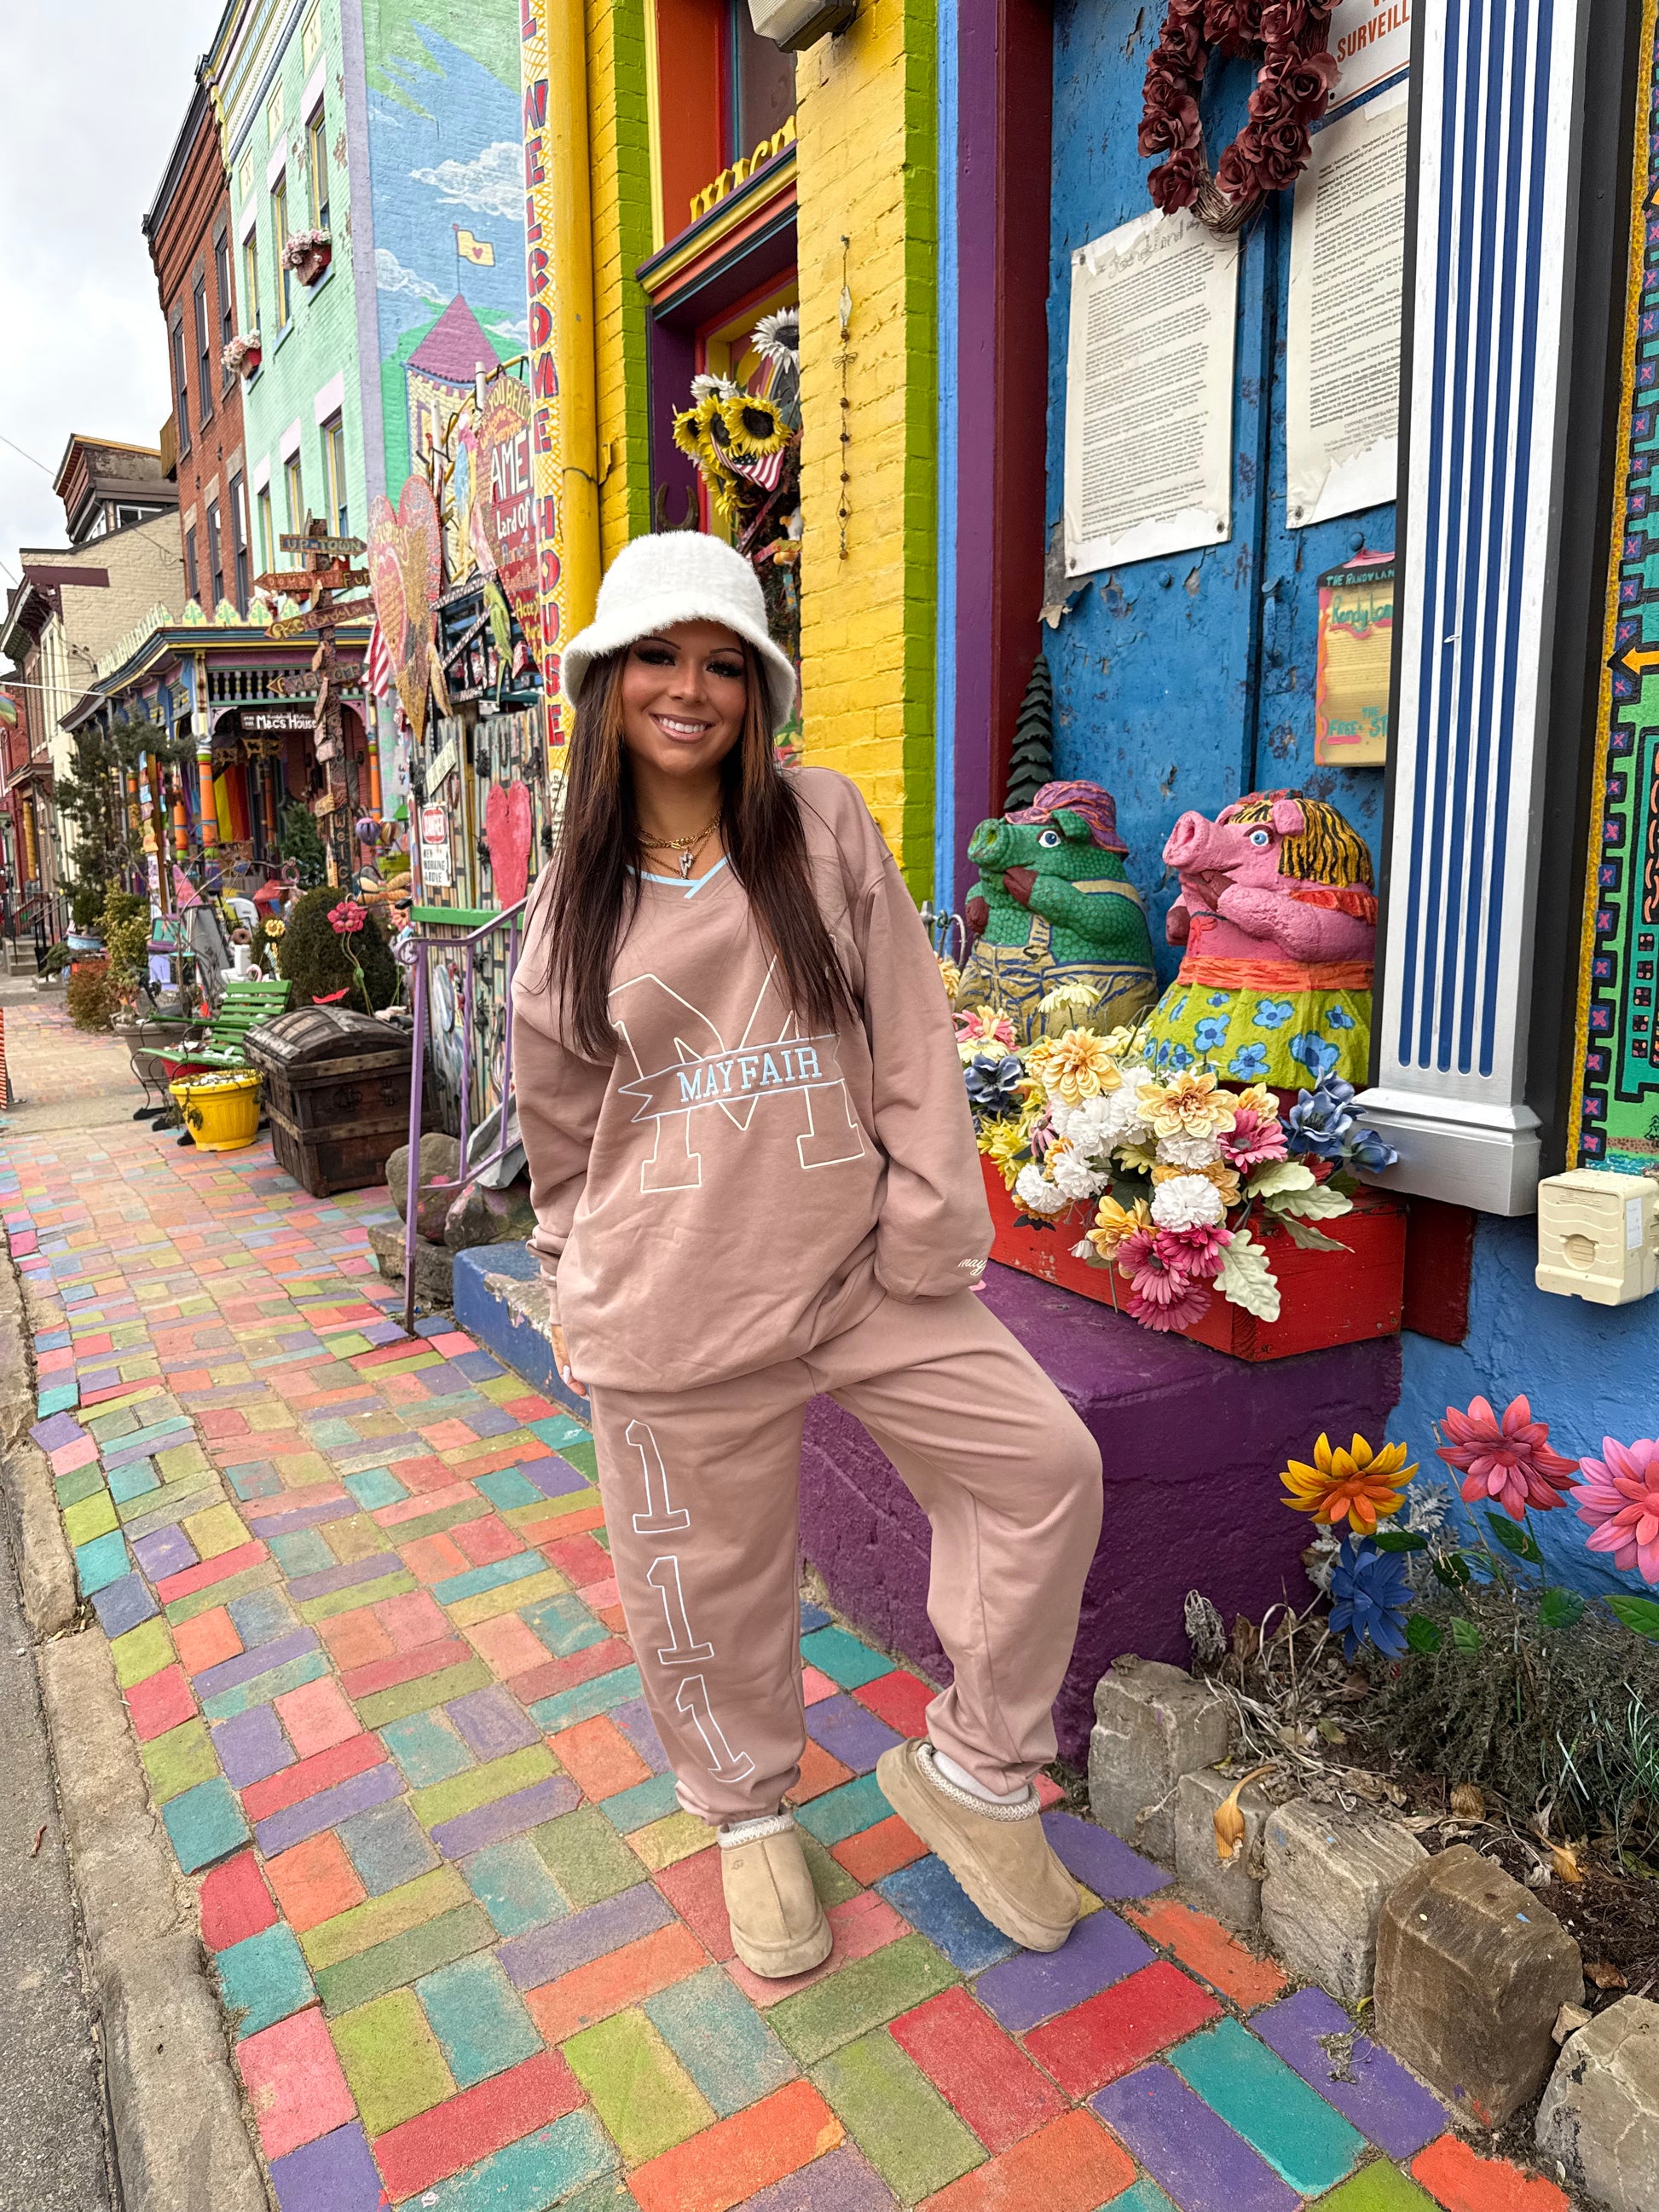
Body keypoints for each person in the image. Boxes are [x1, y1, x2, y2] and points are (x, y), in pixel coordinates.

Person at [512, 533, 1103, 1978]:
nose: (689, 690)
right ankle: (747, 1814)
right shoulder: (572, 901)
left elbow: (907, 1030)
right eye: (657, 657)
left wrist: (930, 1214)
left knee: (1041, 1470)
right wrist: (568, 1275)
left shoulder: (820, 823)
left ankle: (976, 1774)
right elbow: (563, 1127)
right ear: (605, 680)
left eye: (723, 664)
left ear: (758, 688)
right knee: (705, 1584)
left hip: (861, 1273)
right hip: (671, 1297)